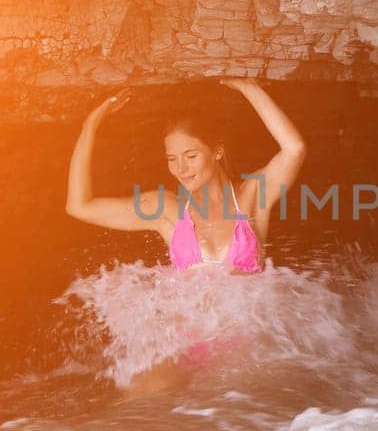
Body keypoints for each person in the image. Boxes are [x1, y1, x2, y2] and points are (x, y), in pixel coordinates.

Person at [64, 78, 306, 392]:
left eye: (190, 156)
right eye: (172, 159)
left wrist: (250, 89)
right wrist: (89, 127)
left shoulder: (251, 197)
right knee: (148, 398)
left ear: (216, 151)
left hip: (247, 347)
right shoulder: (166, 209)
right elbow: (79, 206)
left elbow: (295, 148)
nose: (181, 168)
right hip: (186, 346)